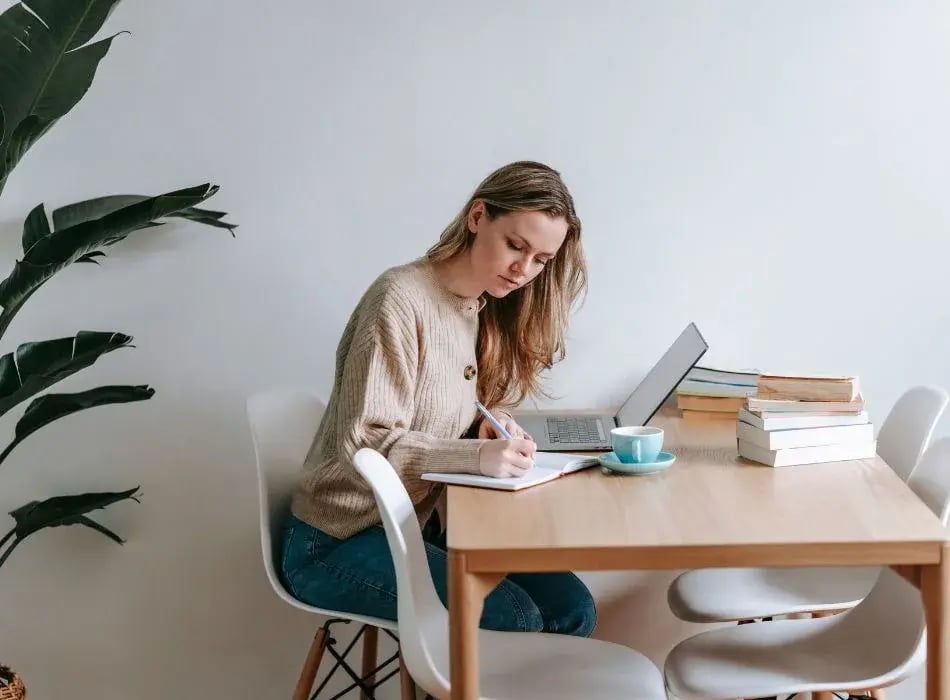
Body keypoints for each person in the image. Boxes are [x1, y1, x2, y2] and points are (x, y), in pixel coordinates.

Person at [281, 160, 595, 636]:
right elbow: (364, 444)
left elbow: (437, 409)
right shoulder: (399, 299)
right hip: (336, 539)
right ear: (477, 217)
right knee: (514, 616)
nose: (523, 270)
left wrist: (487, 426)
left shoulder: (475, 307)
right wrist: (475, 455)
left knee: (572, 608)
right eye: (516, 245)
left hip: (414, 526)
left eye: (541, 260)